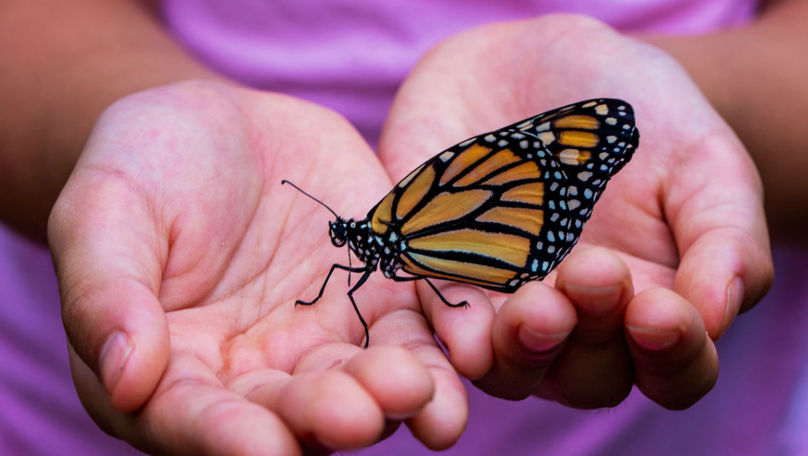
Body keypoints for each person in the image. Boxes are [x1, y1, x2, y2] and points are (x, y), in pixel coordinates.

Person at [1, 0, 803, 454]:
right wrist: (124, 121)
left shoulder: (401, 225)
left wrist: (717, 110)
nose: (353, 246)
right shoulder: (383, 237)